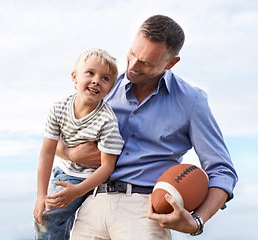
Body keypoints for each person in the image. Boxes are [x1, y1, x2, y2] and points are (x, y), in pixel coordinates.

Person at [55, 15, 238, 239]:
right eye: (132, 53)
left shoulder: (191, 100)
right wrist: (69, 152)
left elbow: (222, 170)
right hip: (91, 204)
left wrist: (197, 221)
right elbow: (58, 134)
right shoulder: (103, 89)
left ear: (170, 64)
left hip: (144, 211)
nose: (133, 65)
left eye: (146, 63)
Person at [33, 49, 125, 239]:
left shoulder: (107, 121)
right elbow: (47, 153)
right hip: (62, 172)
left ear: (109, 88)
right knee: (48, 215)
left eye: (105, 78)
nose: (96, 81)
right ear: (75, 77)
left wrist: (77, 191)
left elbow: (108, 166)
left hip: (88, 179)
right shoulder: (58, 109)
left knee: (48, 217)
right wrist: (40, 195)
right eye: (90, 73)